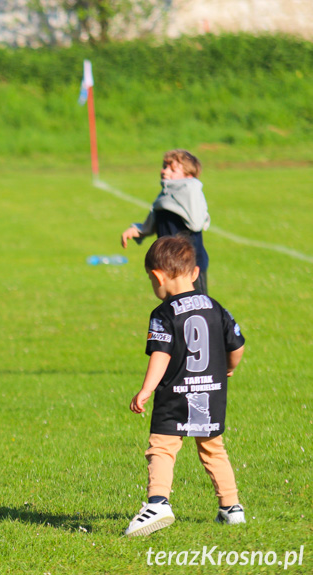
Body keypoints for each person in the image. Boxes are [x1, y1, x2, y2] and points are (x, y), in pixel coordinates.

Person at [124, 236, 245, 537]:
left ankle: (158, 503)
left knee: (163, 448)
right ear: (194, 273)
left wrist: (147, 389)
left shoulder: (163, 313)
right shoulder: (215, 307)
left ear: (157, 276)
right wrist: (229, 368)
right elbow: (238, 345)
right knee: (213, 449)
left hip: (176, 393)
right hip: (211, 391)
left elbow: (161, 355)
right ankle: (232, 508)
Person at [120, 149, 211, 294]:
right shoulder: (164, 196)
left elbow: (196, 222)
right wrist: (137, 230)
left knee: (195, 306)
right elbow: (151, 224)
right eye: (164, 166)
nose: (165, 171)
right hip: (168, 263)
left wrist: (191, 184)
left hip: (190, 265)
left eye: (172, 169)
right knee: (172, 307)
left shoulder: (190, 190)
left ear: (188, 176)